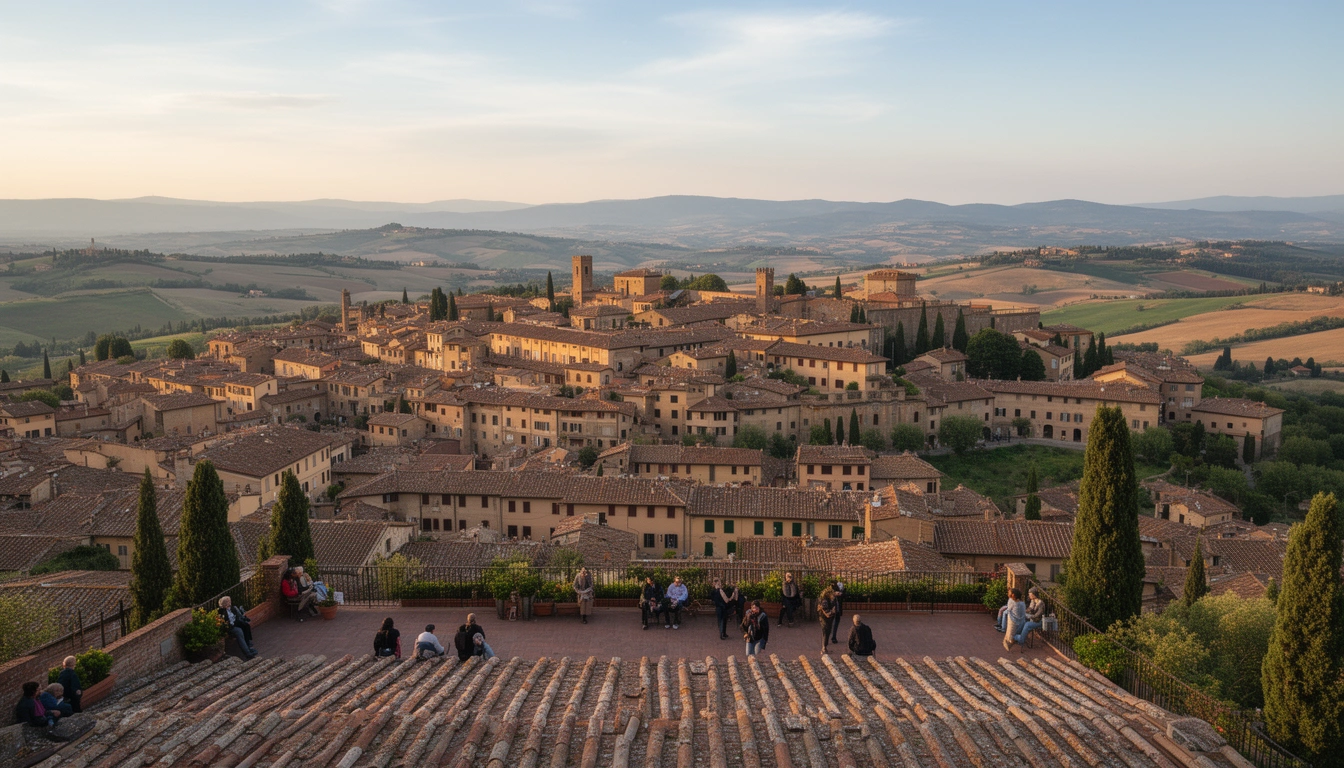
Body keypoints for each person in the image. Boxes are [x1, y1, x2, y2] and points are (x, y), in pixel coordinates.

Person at [1003, 588, 1027, 653]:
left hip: (1013, 621)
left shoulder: (1012, 601)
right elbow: (1022, 613)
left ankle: (1016, 639)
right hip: (1019, 621)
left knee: (1010, 636)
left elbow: (1009, 610)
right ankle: (1014, 640)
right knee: (1011, 635)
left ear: (1013, 595)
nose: (1008, 593)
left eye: (1009, 592)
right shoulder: (1021, 603)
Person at [818, 585, 838, 655]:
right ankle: (824, 648)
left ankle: (825, 648)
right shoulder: (824, 601)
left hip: (828, 620)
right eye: (832, 594)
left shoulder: (828, 599)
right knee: (825, 633)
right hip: (825, 620)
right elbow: (828, 613)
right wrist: (832, 611)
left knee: (827, 633)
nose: (833, 596)